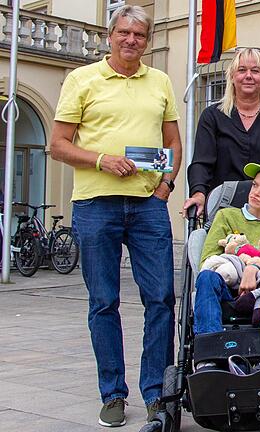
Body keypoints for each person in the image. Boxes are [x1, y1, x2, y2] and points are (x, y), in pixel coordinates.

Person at [49, 5, 181, 427]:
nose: (131, 40)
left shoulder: (159, 80)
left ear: (147, 40)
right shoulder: (81, 79)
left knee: (161, 299)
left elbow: (173, 143)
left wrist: (164, 187)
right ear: (111, 36)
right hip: (95, 204)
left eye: (139, 35)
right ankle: (113, 394)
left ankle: (157, 393)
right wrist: (101, 159)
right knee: (103, 302)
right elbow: (57, 144)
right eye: (124, 32)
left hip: (147, 206)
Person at [193, 163, 260, 372]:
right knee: (206, 277)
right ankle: (209, 356)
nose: (256, 193)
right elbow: (209, 258)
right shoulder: (226, 216)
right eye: (255, 186)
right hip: (227, 289)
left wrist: (252, 270)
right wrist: (244, 267)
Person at [184, 48, 260, 217]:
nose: (248, 76)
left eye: (255, 71)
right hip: (223, 209)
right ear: (232, 77)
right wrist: (198, 194)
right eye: (241, 70)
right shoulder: (212, 116)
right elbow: (202, 162)